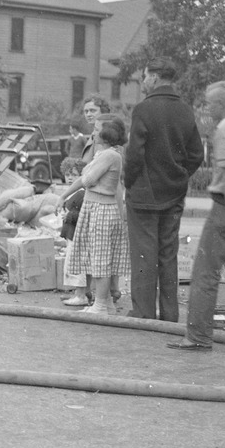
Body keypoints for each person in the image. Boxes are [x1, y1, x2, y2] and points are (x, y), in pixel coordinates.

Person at [123, 58, 204, 322]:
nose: (143, 81)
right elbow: (196, 154)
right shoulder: (185, 110)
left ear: (155, 77)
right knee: (168, 254)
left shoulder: (143, 109)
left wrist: (129, 182)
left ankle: (144, 314)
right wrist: (180, 177)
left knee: (145, 255)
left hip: (144, 195)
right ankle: (169, 316)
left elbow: (134, 154)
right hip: (174, 193)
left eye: (145, 76)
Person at [167, 81, 225, 352]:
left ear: (222, 104)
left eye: (210, 104)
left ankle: (197, 336)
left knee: (204, 275)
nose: (208, 109)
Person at [58, 117, 130, 315]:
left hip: (101, 209)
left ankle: (100, 304)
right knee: (97, 257)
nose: (93, 133)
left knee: (100, 259)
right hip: (96, 207)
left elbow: (88, 178)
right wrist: (64, 194)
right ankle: (105, 302)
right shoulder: (104, 154)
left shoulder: (108, 155)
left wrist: (87, 171)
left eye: (97, 129)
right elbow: (85, 178)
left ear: (107, 134)